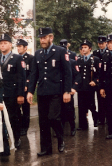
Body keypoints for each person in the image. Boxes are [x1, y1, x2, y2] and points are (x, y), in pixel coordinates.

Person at [27, 27, 72, 156]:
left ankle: (60, 138)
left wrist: (67, 91)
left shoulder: (60, 51)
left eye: (44, 37)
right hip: (42, 92)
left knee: (53, 117)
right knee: (43, 121)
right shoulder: (38, 54)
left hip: (56, 92)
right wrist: (30, 91)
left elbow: (67, 73)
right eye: (41, 38)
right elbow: (34, 74)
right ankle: (46, 148)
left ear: (51, 38)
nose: (42, 40)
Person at [0, 34, 25, 149]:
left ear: (10, 45)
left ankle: (16, 138)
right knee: (0, 117)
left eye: (5, 43)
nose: (2, 45)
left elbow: (21, 77)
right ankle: (4, 140)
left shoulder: (17, 58)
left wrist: (20, 94)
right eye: (1, 43)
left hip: (12, 93)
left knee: (13, 116)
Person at [76, 39, 99, 130]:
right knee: (81, 106)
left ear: (90, 48)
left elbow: (99, 73)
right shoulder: (79, 59)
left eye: (85, 47)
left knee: (91, 105)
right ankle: (83, 125)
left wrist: (95, 81)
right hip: (81, 87)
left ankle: (96, 119)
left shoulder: (95, 59)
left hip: (90, 87)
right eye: (82, 47)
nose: (83, 49)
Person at [16, 38, 34, 136]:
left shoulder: (30, 58)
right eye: (17, 47)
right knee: (17, 108)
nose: (18, 49)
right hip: (18, 87)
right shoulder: (16, 58)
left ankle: (25, 127)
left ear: (25, 47)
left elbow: (31, 73)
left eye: (20, 46)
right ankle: (19, 125)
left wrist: (27, 85)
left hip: (26, 87)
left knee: (26, 108)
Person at [62, 57, 81, 136]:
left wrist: (74, 87)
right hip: (58, 89)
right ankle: (60, 129)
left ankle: (72, 127)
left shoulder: (72, 62)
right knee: (59, 111)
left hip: (68, 89)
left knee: (69, 110)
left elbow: (77, 75)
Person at [93, 35, 109, 125]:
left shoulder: (109, 52)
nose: (101, 45)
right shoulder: (95, 52)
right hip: (99, 78)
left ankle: (108, 116)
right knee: (100, 99)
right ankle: (101, 118)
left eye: (102, 43)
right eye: (99, 43)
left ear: (106, 43)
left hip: (107, 78)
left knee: (107, 100)